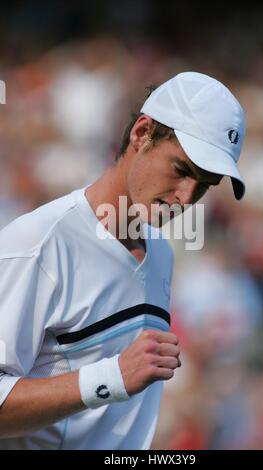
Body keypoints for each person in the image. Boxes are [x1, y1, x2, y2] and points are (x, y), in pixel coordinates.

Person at [0, 71, 246, 450]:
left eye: (204, 185)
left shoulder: (161, 250)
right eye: (181, 170)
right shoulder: (37, 243)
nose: (186, 197)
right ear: (141, 133)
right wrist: (111, 378)